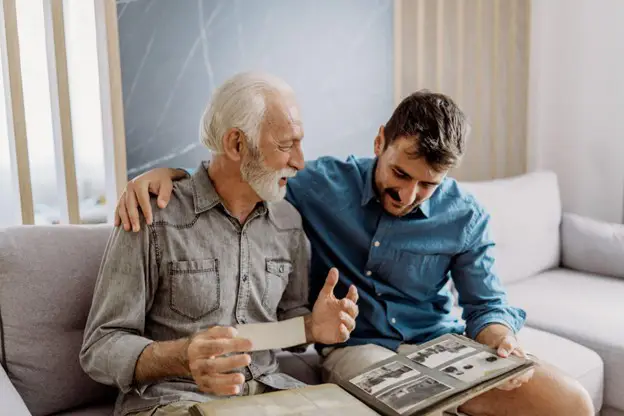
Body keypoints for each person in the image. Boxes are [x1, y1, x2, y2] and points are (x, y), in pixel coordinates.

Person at [115, 86, 595, 415]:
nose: (408, 195)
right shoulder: (320, 185)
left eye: (428, 185)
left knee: (572, 402)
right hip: (360, 348)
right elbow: (242, 173)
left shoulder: (466, 216)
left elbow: (487, 306)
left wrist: (498, 341)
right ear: (380, 141)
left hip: (442, 346)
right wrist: (167, 176)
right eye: (400, 174)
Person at [80, 72, 359, 416]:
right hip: (175, 398)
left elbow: (275, 329)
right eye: (286, 146)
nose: (300, 162)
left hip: (267, 392)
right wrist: (183, 356)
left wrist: (312, 328)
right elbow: (100, 347)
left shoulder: (287, 222)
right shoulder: (152, 216)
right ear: (236, 144)